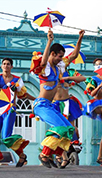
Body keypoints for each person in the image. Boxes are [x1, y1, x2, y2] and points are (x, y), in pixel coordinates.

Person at [30, 29, 85, 168]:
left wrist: (80, 38)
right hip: (41, 105)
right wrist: (49, 41)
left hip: (49, 105)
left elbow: (74, 55)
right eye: (59, 56)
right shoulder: (45, 68)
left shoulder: (58, 66)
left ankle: (57, 154)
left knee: (68, 129)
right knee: (60, 127)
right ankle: (44, 154)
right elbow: (43, 62)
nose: (61, 59)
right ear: (52, 54)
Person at [0, 58, 35, 168]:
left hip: (10, 110)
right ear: (1, 66)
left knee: (6, 137)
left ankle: (22, 156)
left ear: (11, 67)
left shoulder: (17, 80)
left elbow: (23, 94)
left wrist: (35, 99)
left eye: (8, 64)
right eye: (4, 64)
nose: (6, 66)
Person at [53, 58, 86, 168]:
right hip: (56, 104)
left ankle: (74, 143)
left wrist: (68, 78)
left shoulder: (69, 72)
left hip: (67, 103)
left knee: (71, 126)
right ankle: (59, 154)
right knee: (57, 129)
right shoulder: (52, 71)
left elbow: (83, 78)